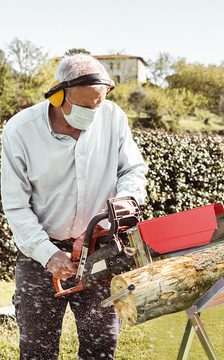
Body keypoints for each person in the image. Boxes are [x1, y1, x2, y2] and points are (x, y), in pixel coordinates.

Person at [1, 53, 148, 359]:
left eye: (99, 103)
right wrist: (47, 253)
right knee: (36, 351)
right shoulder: (21, 131)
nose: (94, 113)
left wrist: (120, 206)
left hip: (100, 251)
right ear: (58, 96)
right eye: (84, 106)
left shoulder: (113, 117)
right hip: (39, 256)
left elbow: (132, 170)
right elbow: (16, 206)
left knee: (100, 347)